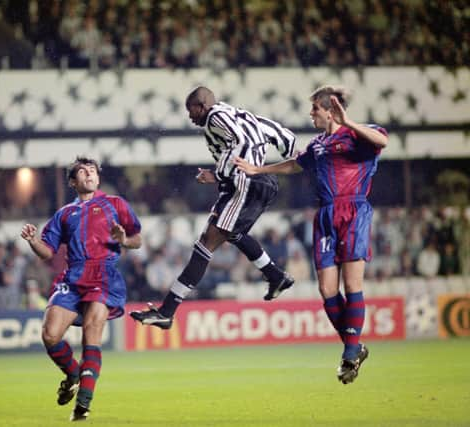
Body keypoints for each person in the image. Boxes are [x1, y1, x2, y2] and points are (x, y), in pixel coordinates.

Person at [233, 85, 388, 384]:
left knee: (352, 283)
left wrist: (348, 122)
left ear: (330, 109)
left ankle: (348, 357)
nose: (311, 113)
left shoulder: (358, 133)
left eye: (315, 108)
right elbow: (294, 164)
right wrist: (256, 170)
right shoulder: (317, 144)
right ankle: (355, 348)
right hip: (326, 214)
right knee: (327, 290)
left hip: (354, 210)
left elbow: (382, 140)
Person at [130, 86, 296, 329]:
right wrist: (290, 158)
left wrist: (218, 175)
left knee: (206, 243)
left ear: (203, 105)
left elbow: (242, 141)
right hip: (254, 181)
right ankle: (275, 275)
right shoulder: (242, 114)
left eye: (191, 110)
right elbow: (284, 136)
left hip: (246, 182)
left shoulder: (215, 116)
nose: (190, 116)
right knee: (231, 234)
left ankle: (167, 312)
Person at [20, 156, 142, 422]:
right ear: (73, 182)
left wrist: (124, 239)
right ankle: (73, 373)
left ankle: (82, 407)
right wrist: (32, 241)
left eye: (93, 171)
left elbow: (137, 240)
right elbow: (46, 252)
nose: (89, 174)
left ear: (98, 178)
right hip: (73, 275)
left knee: (91, 333)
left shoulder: (115, 204)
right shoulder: (64, 213)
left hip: (103, 273)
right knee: (50, 335)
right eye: (82, 171)